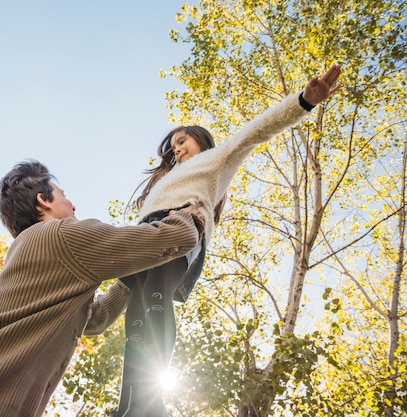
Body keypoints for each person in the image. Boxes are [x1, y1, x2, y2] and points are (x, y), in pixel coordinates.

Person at [113, 64, 342, 417]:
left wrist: (303, 102)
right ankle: (129, 406)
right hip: (144, 240)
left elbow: (253, 133)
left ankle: (151, 405)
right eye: (172, 149)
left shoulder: (214, 161)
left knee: (157, 299)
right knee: (136, 323)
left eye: (181, 141)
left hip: (177, 230)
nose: (176, 151)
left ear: (200, 140)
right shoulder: (167, 180)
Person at [0, 160, 206, 417]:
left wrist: (131, 280)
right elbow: (168, 239)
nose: (73, 203)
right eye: (63, 194)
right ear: (43, 201)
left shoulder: (36, 250)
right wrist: (189, 214)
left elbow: (94, 318)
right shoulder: (61, 235)